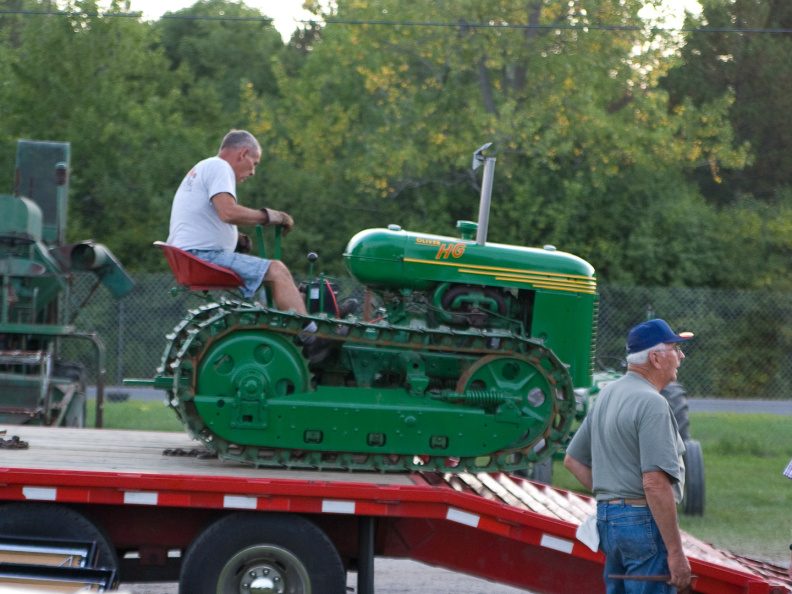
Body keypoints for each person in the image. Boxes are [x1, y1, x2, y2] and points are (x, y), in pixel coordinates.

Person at [564, 318, 693, 593]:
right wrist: (676, 553)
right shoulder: (653, 403)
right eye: (675, 349)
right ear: (656, 358)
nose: (681, 356)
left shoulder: (606, 395)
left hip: (608, 520)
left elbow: (572, 460)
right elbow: (655, 484)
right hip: (642, 522)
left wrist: (613, 496)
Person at [167, 129, 307, 314]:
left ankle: (286, 316)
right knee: (276, 270)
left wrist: (234, 237)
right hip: (203, 257)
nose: (253, 172)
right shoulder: (220, 167)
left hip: (191, 257)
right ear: (243, 154)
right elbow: (228, 212)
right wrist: (270, 217)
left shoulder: (204, 167)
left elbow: (201, 215)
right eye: (254, 163)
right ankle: (310, 334)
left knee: (269, 275)